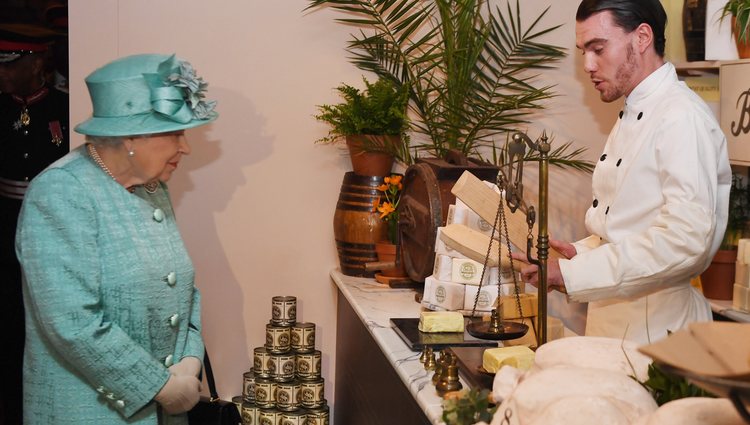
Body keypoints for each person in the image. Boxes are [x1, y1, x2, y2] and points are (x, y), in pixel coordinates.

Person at [15, 53, 218, 424]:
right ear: (129, 138)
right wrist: (159, 386)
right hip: (88, 412)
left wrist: (190, 360)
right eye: (175, 133)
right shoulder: (61, 191)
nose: (185, 147)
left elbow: (181, 287)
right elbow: (72, 321)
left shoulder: (150, 185)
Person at [514, 0, 731, 345]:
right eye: (584, 51)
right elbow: (630, 224)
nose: (587, 64)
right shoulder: (634, 110)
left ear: (642, 37)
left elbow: (685, 241)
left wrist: (574, 273)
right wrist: (580, 253)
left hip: (656, 336)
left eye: (598, 49)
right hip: (613, 325)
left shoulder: (681, 117)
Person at [0, 22, 69, 425]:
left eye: (9, 63)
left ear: (36, 60)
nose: (2, 72)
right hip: (5, 228)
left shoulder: (63, 107)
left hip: (49, 228)